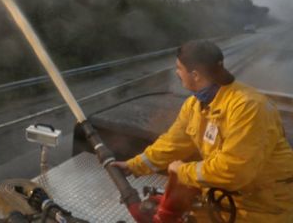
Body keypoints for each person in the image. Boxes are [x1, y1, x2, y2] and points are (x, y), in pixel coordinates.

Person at [113, 40, 293, 222]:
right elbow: (172, 143)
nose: (177, 73)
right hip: (226, 200)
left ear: (195, 75)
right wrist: (133, 165)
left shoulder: (248, 107)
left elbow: (235, 170)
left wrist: (182, 171)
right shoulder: (194, 106)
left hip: (265, 208)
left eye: (179, 68)